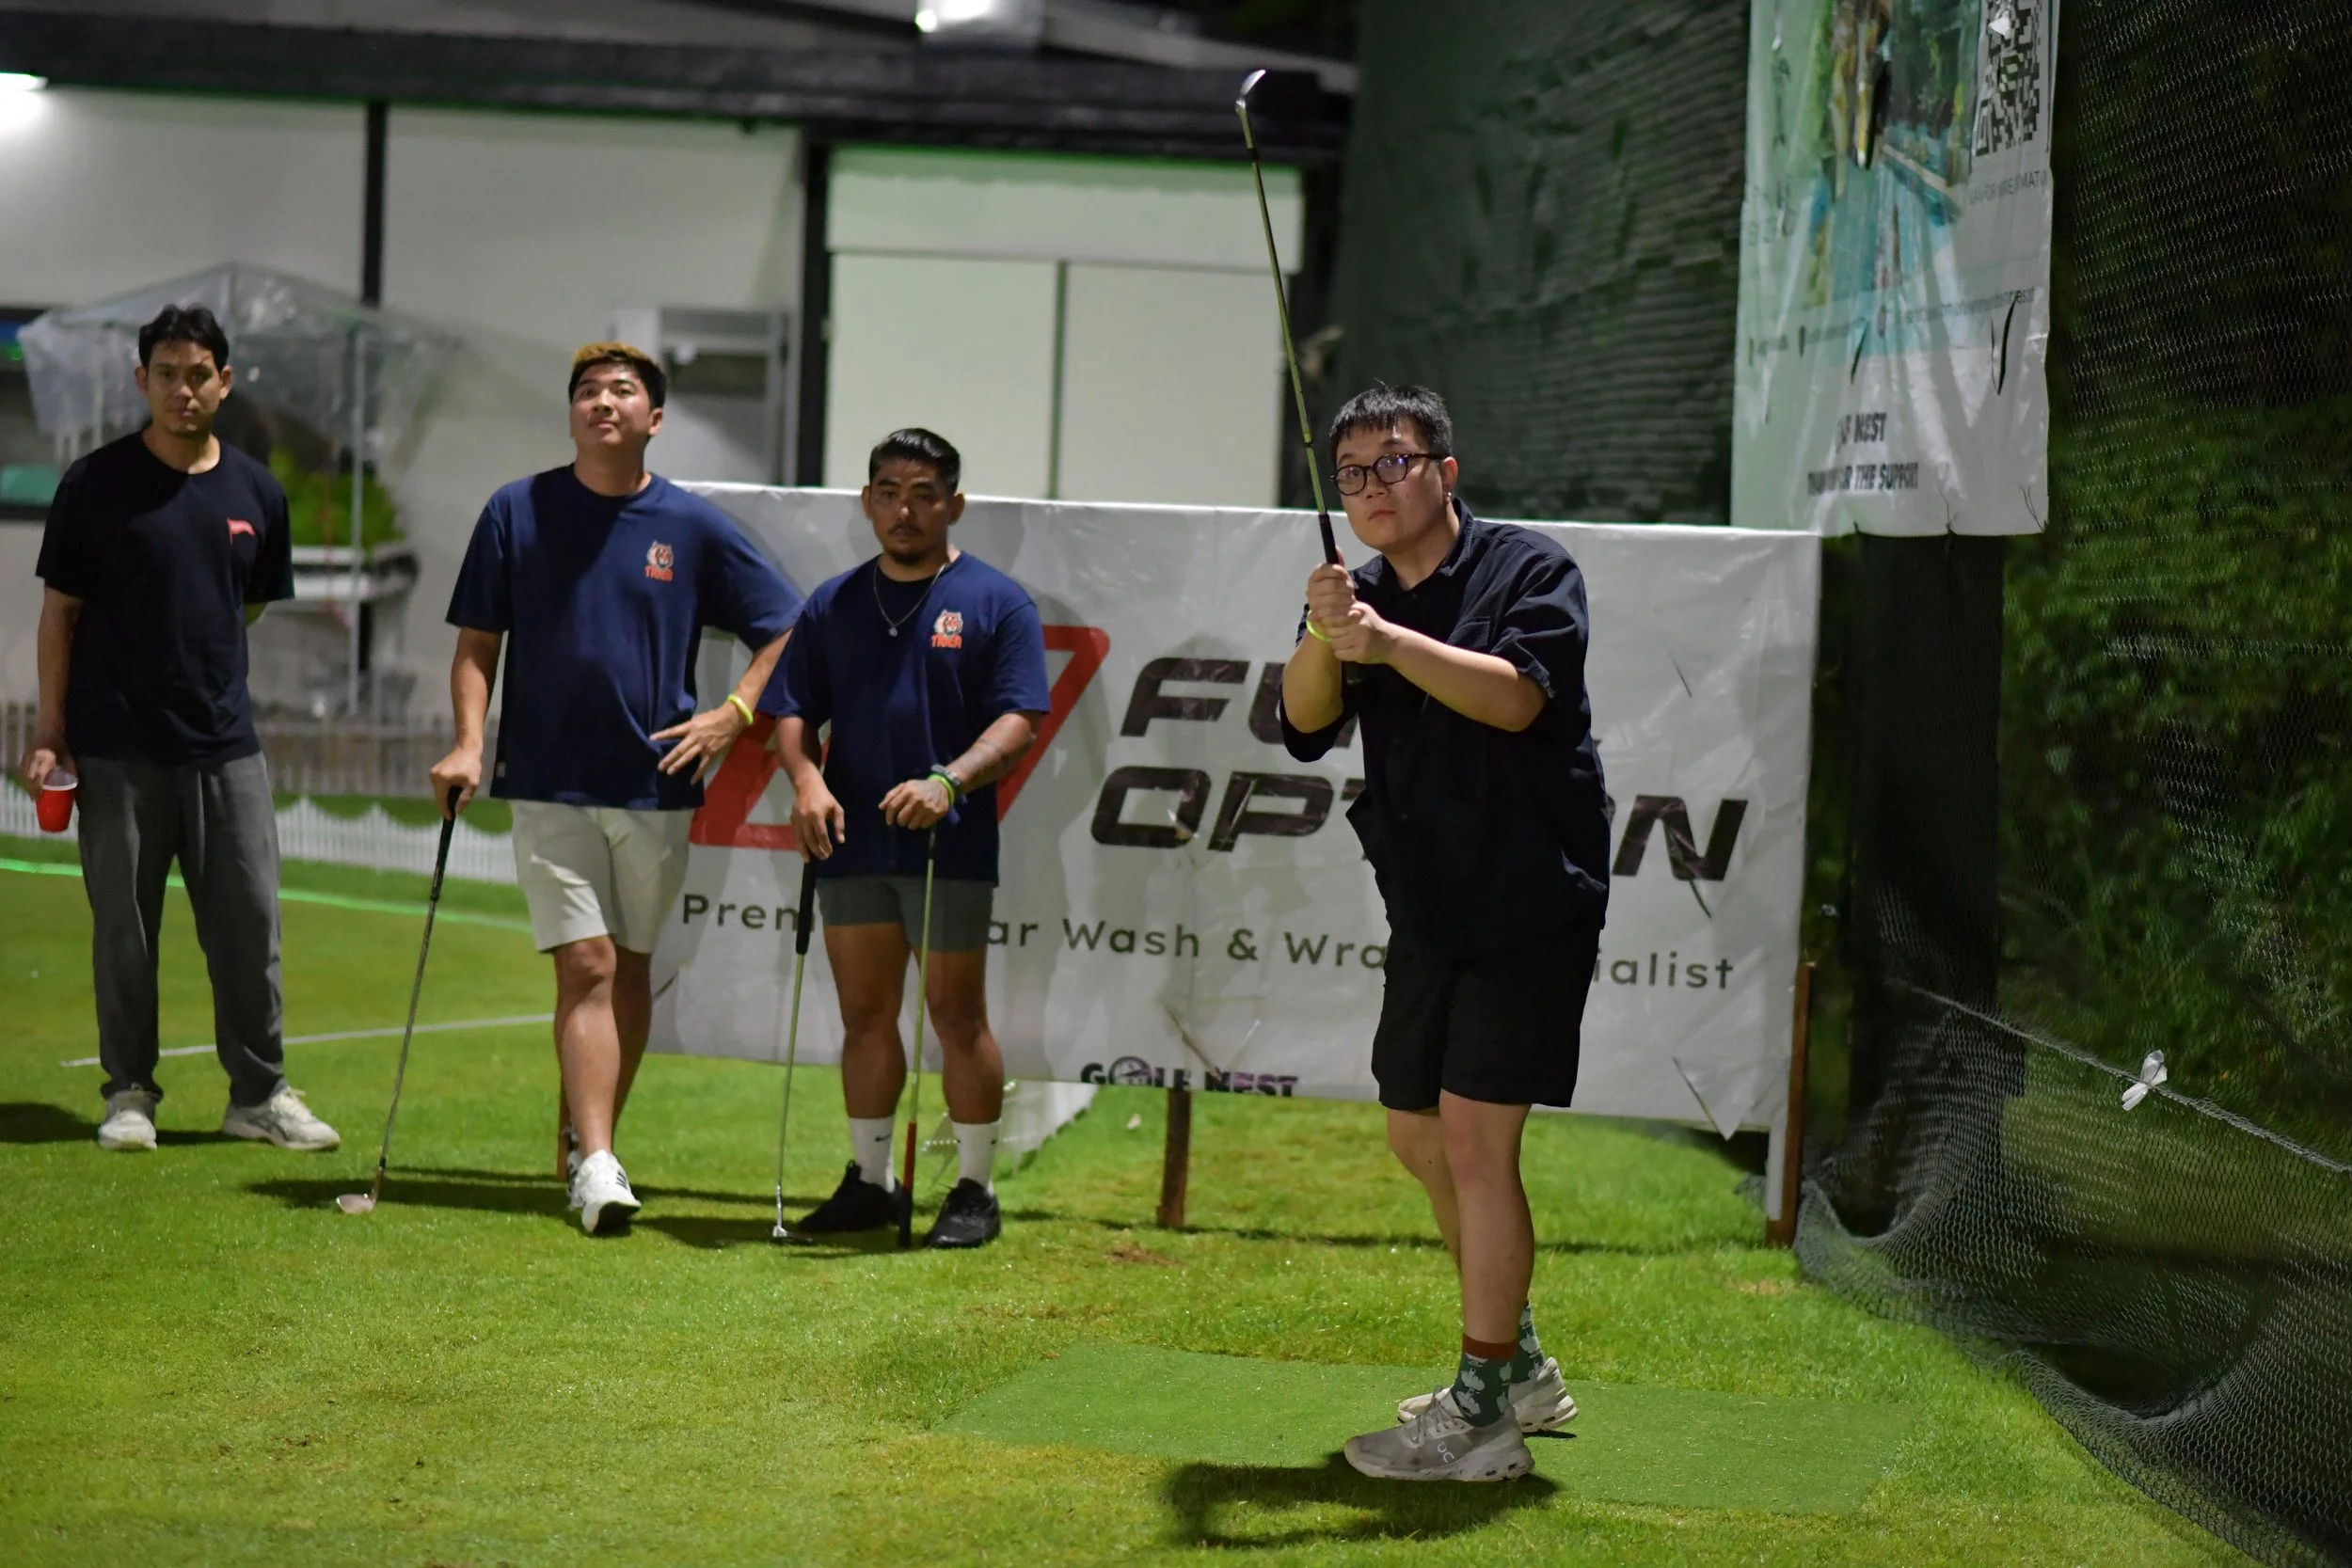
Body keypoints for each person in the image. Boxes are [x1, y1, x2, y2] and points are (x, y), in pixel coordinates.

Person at [1280, 385, 1611, 1482]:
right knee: (1415, 1135)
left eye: (1394, 461)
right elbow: (1303, 721)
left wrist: (1383, 636)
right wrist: (1332, 632)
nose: (1373, 487)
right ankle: (1516, 1361)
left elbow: (1517, 699)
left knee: (1475, 1142)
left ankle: (1481, 1417)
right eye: (1353, 474)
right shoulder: (1355, 595)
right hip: (1426, 899)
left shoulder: (1527, 570)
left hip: (1530, 895)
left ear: (1446, 470)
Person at [431, 342, 801, 1236]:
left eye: (623, 391)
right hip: (548, 779)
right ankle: (597, 1165)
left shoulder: (693, 525)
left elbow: (789, 625)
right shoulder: (515, 512)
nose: (604, 402)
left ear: (654, 419)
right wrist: (468, 744)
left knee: (628, 966)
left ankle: (587, 1137)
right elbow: (478, 643)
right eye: (588, 391)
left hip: (658, 782)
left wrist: (734, 715)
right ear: (572, 414)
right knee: (587, 964)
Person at [19, 305, 340, 1155]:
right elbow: (59, 616)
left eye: (198, 373)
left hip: (225, 749)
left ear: (223, 383)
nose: (181, 388)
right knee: (124, 933)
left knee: (249, 930)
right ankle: (130, 1093)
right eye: (165, 373)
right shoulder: (94, 485)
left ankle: (259, 1094)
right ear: (142, 382)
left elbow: (251, 606)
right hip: (116, 747)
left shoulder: (256, 492)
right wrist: (52, 731)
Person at [765, 428, 1049, 1249]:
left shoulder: (998, 602)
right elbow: (790, 712)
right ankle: (868, 1179)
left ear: (954, 505)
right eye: (889, 491)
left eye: (925, 493)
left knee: (957, 1015)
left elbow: (1022, 718)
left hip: (945, 846)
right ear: (867, 501)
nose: (905, 509)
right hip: (849, 841)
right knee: (863, 1014)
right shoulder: (833, 602)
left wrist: (949, 780)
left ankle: (973, 1189)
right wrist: (808, 780)